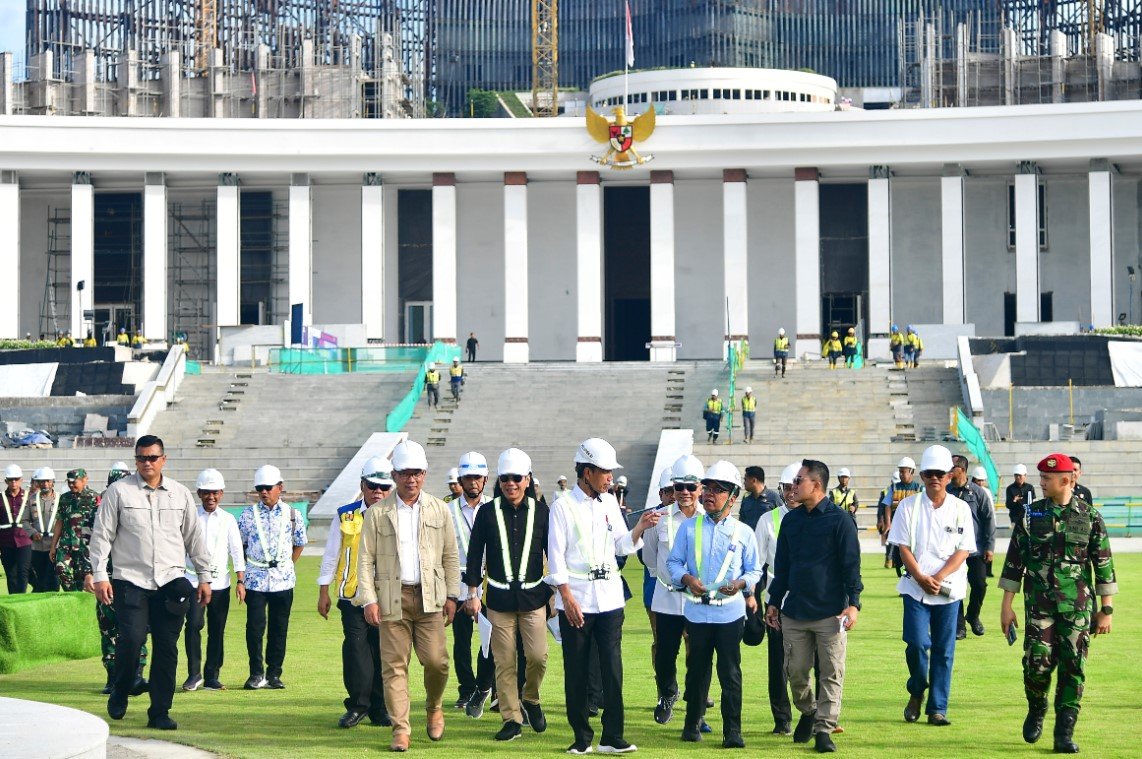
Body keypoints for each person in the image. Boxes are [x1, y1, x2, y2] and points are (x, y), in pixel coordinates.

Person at [89, 435, 211, 731]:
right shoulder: (118, 492)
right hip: (131, 580)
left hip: (170, 581)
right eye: (142, 458)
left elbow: (195, 538)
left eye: (153, 458)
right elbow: (102, 535)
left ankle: (159, 711)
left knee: (167, 649)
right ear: (136, 460)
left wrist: (205, 576)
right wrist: (100, 574)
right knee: (130, 641)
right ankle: (121, 687)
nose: (147, 463)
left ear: (163, 460)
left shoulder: (180, 494)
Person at [999, 453, 1117, 754]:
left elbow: (1103, 563)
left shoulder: (1089, 516)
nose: (1041, 482)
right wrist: (1006, 604)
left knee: (1073, 666)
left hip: (1077, 607)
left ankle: (1064, 731)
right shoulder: (1031, 515)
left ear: (1066, 480)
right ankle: (1037, 707)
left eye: (1047, 478)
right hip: (1039, 604)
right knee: (1037, 663)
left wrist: (1106, 610)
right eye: (1040, 477)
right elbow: (1015, 560)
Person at [548, 438, 659, 755]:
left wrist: (640, 527)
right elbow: (556, 559)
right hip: (577, 600)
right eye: (605, 471)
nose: (610, 478)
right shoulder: (562, 507)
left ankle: (613, 736)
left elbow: (622, 546)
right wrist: (566, 598)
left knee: (613, 670)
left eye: (611, 472)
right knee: (578, 671)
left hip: (610, 599)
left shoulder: (610, 502)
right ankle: (581, 738)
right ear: (586, 472)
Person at [355, 439, 460, 753]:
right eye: (404, 473)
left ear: (425, 474)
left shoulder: (439, 510)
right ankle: (401, 730)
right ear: (394, 474)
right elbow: (365, 559)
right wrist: (369, 599)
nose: (411, 479)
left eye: (416, 473)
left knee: (437, 662)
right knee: (394, 667)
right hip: (392, 598)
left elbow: (451, 556)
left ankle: (434, 706)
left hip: (431, 598)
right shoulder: (377, 513)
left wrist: (453, 595)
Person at [765, 459, 862, 754]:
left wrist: (853, 604)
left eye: (798, 481)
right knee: (795, 674)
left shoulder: (840, 520)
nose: (793, 487)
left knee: (831, 673)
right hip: (794, 611)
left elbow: (851, 567)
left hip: (830, 613)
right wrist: (773, 602)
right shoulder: (791, 521)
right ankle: (809, 711)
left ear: (815, 485)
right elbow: (781, 568)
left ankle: (823, 730)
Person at [668, 461, 760, 748]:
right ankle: (691, 724)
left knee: (730, 673)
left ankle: (732, 732)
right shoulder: (688, 527)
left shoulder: (744, 532)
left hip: (730, 613)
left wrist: (742, 584)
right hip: (696, 611)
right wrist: (685, 577)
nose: (709, 494)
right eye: (707, 488)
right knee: (696, 670)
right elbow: (673, 562)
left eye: (717, 490)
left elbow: (754, 570)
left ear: (733, 497)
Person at [464, 448, 553, 742]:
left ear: (528, 479)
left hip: (533, 599)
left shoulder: (541, 511)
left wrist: (555, 592)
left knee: (538, 657)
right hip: (498, 601)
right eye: (505, 479)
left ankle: (530, 698)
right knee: (504, 662)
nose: (511, 484)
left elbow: (554, 554)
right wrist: (473, 593)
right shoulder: (488, 513)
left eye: (517, 478)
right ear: (499, 481)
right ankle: (511, 718)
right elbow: (475, 553)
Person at [887, 445, 975, 727]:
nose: (934, 478)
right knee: (915, 643)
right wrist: (922, 578)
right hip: (915, 587)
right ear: (922, 476)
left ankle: (937, 708)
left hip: (948, 590)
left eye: (940, 473)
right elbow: (903, 547)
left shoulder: (961, 508)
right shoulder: (908, 507)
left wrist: (937, 578)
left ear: (949, 476)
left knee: (944, 650)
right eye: (929, 474)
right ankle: (917, 689)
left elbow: (963, 551)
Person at [317, 456, 392, 728]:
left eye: (384, 487)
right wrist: (323, 590)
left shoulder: (397, 515)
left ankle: (380, 708)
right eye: (372, 485)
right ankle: (358, 705)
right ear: (362, 485)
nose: (378, 492)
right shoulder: (346, 514)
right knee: (357, 650)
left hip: (386, 597)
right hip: (353, 596)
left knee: (382, 653)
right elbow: (331, 554)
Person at [642, 455, 708, 730]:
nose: (684, 493)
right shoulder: (659, 519)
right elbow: (649, 558)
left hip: (699, 600)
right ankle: (668, 693)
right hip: (667, 597)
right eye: (679, 486)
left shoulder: (711, 519)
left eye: (690, 487)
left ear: (700, 488)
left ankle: (697, 710)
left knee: (700, 656)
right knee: (666, 655)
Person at [236, 464, 307, 690]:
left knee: (279, 629)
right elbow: (241, 546)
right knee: (254, 629)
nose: (264, 492)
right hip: (255, 580)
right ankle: (256, 674)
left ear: (280, 487)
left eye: (268, 487)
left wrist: (285, 566)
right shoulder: (247, 515)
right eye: (260, 488)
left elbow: (299, 544)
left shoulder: (293, 515)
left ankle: (274, 674)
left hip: (283, 581)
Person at [182, 469, 246, 692]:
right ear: (199, 493)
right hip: (193, 582)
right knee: (193, 626)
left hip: (220, 583)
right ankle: (194, 674)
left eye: (215, 492)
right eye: (206, 492)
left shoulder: (228, 519)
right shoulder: (190, 517)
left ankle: (212, 676)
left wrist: (240, 581)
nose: (211, 497)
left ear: (222, 493)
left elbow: (237, 551)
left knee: (217, 630)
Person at [444, 452, 495, 715]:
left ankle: (492, 690)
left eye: (477, 477)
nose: (473, 482)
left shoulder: (496, 508)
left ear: (485, 479)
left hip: (491, 586)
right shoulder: (447, 509)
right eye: (468, 477)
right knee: (461, 642)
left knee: (494, 641)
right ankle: (466, 689)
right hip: (458, 586)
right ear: (460, 480)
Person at [753, 462, 799, 736]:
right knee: (778, 663)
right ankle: (782, 719)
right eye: (787, 487)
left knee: (814, 664)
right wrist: (754, 601)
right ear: (780, 490)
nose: (792, 492)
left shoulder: (819, 518)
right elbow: (756, 566)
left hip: (811, 604)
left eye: (796, 485)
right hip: (777, 604)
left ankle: (816, 713)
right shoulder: (767, 520)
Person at [948, 455, 995, 639]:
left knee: (979, 584)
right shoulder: (947, 492)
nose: (949, 471)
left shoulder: (978, 493)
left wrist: (989, 546)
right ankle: (959, 626)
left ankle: (973, 615)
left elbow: (989, 520)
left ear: (962, 470)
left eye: (953, 467)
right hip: (953, 550)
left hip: (975, 549)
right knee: (954, 587)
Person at [881, 457, 922, 573]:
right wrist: (888, 523)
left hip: (913, 529)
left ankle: (909, 582)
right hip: (898, 528)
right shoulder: (894, 487)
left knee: (912, 557)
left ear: (911, 472)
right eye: (900, 471)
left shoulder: (918, 488)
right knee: (898, 561)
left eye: (904, 471)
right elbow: (887, 505)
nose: (901, 474)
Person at [25, 467, 61, 592]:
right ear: (38, 483)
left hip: (56, 546)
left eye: (48, 481)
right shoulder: (31, 500)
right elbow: (23, 521)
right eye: (42, 481)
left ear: (53, 482)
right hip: (37, 546)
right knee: (40, 578)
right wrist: (32, 533)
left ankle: (54, 604)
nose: (45, 484)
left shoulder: (61, 499)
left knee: (54, 579)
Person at [1, 464, 32, 594]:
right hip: (5, 541)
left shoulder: (29, 497)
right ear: (6, 481)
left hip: (24, 540)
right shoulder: (1, 497)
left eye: (16, 479)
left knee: (23, 572)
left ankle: (22, 598)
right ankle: (13, 598)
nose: (14, 482)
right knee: (10, 573)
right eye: (11, 479)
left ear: (21, 480)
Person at [738, 466, 780, 532]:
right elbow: (741, 521)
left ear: (754, 480)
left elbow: (782, 520)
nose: (744, 483)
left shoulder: (774, 498)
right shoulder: (746, 499)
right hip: (749, 540)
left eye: (745, 479)